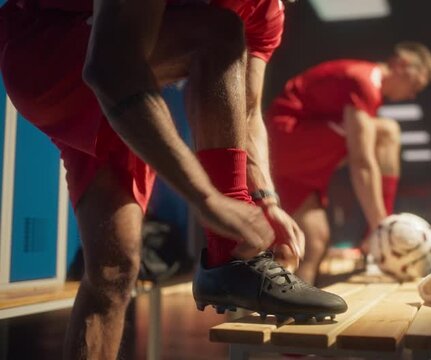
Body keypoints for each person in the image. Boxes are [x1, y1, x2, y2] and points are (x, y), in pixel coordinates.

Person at [0, 0, 346, 358]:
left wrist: (265, 199)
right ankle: (228, 255)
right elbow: (109, 66)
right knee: (218, 33)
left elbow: (247, 108)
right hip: (45, 49)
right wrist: (208, 199)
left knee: (113, 269)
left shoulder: (268, 12)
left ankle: (227, 256)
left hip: (114, 82)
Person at [266, 42, 431, 284]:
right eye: (416, 85)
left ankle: (290, 307)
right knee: (386, 131)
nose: (413, 94)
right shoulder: (364, 80)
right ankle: (379, 233)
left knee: (314, 241)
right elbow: (361, 161)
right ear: (402, 65)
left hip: (294, 165)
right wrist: (383, 231)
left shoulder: (365, 87)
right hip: (286, 140)